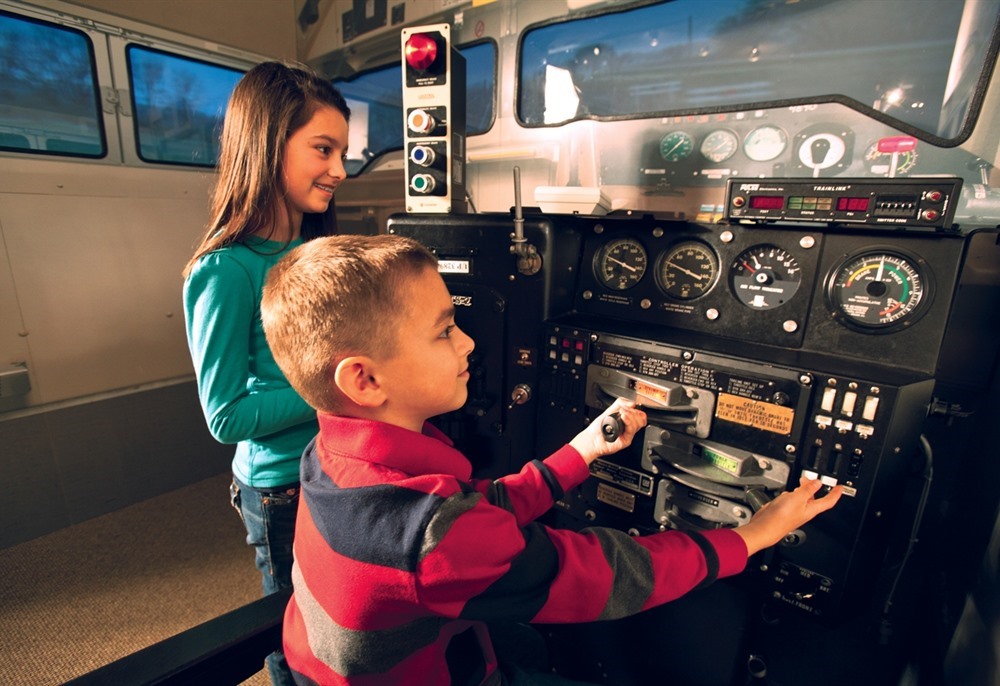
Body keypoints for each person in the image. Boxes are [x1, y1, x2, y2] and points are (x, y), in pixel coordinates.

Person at [259, 234, 843, 686]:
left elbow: (476, 512)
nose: (468, 344)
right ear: (363, 378)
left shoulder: (334, 453)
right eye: (444, 332)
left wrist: (579, 453)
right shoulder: (425, 532)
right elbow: (599, 574)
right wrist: (748, 538)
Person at [182, 61, 350, 686]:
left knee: (346, 622)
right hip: (282, 489)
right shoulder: (225, 270)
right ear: (267, 146)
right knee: (296, 635)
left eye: (342, 152)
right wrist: (331, 393)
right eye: (323, 149)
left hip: (339, 468)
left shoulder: (316, 253)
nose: (338, 169)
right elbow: (225, 416)